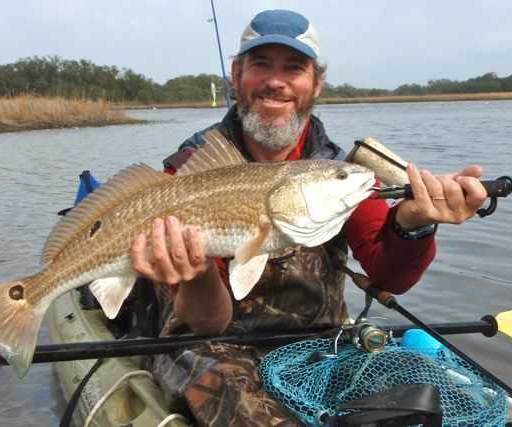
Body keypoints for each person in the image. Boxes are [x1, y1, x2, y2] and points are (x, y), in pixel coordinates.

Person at [129, 9, 488, 427]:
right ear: (236, 76)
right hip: (210, 343)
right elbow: (207, 319)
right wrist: (197, 272)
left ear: (316, 83)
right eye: (261, 64)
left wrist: (413, 223)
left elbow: (389, 275)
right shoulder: (188, 173)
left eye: (294, 68)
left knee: (425, 399)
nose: (276, 81)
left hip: (320, 346)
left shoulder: (337, 171)